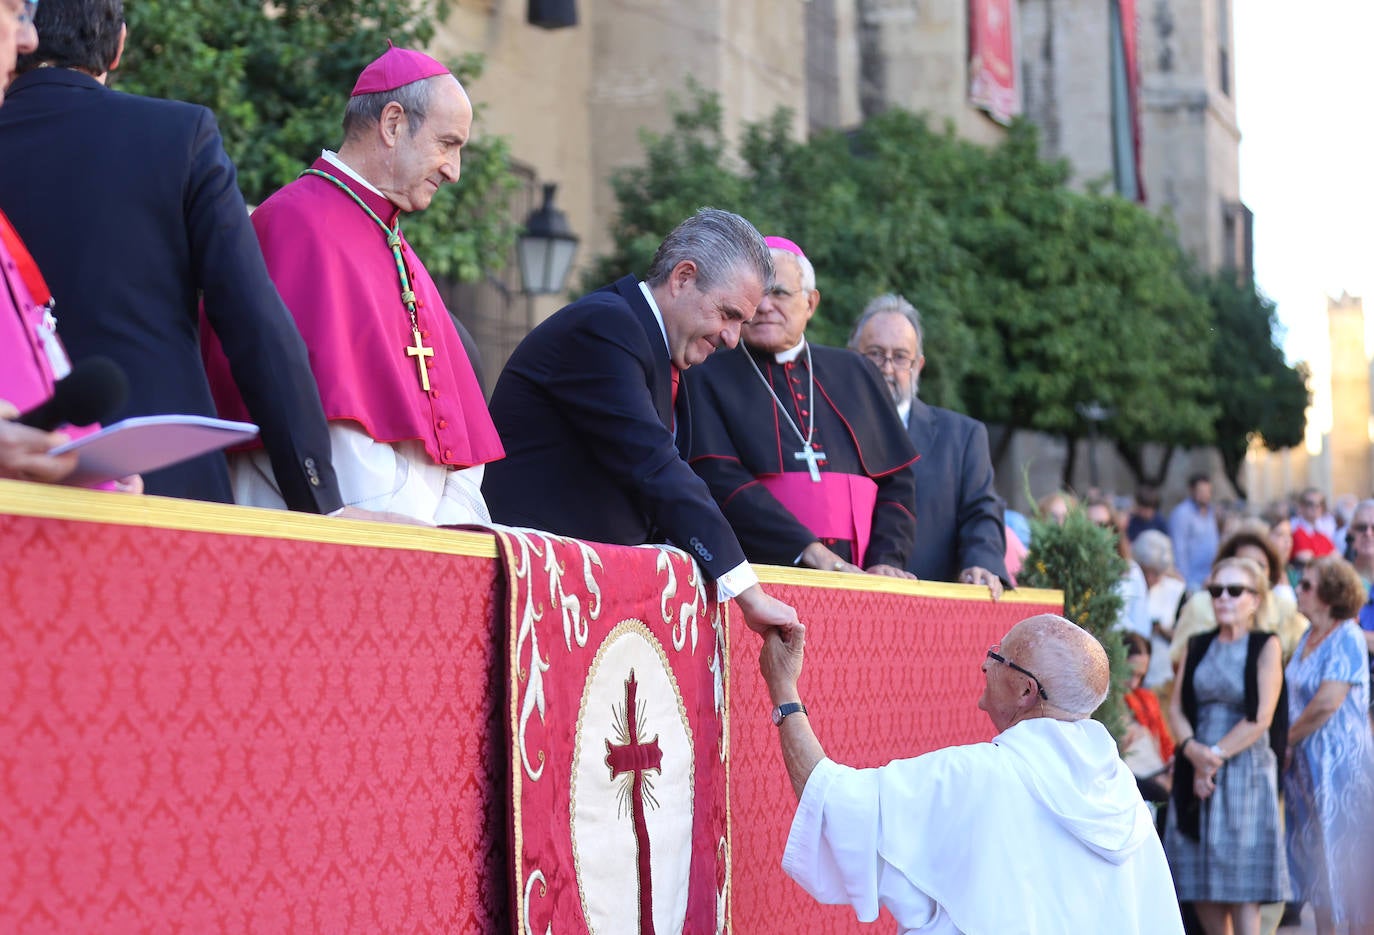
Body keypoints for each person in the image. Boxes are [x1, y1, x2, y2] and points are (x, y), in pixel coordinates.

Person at [0, 0, 342, 513]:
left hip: (14, 479)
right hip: (164, 481)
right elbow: (252, 322)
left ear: (28, 34)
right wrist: (318, 501)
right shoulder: (178, 135)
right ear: (117, 48)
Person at [203, 43, 502, 525]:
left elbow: (461, 437)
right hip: (336, 531)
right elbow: (309, 419)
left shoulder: (396, 246)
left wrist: (452, 518)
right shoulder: (294, 225)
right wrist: (408, 523)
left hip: (423, 536)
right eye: (447, 144)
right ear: (393, 123)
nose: (454, 170)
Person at [759, 612, 1184, 933]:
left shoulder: (979, 775)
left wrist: (783, 688)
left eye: (998, 657)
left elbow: (833, 802)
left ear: (1026, 690)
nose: (984, 666)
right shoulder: (1120, 788)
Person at [483, 208, 798, 637]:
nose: (731, 338)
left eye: (741, 322)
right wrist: (748, 591)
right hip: (530, 597)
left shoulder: (662, 350)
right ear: (683, 277)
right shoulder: (606, 326)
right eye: (728, 314)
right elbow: (655, 467)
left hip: (582, 600)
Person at [681, 240, 917, 578]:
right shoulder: (705, 373)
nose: (765, 306)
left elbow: (896, 481)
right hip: (760, 575)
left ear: (810, 302)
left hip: (863, 579)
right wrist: (808, 550)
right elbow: (719, 479)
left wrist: (887, 559)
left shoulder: (857, 372)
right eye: (757, 294)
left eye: (779, 293)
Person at [848, 294, 1008, 597]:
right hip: (839, 603)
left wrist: (980, 563)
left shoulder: (962, 437)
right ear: (851, 358)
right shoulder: (822, 428)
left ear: (918, 366)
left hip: (930, 607)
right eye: (875, 354)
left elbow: (981, 511)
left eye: (900, 357)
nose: (886, 368)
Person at [1165, 556, 1291, 935]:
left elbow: (1261, 717)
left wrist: (1213, 757)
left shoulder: (1265, 644)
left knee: (1243, 886)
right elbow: (1176, 707)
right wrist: (1194, 752)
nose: (1223, 598)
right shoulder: (1197, 644)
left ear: (1255, 599)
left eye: (1235, 590)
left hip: (1244, 769)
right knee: (1197, 880)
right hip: (1195, 764)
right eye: (1216, 590)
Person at [1286, 556, 1374, 935]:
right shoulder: (1307, 637)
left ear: (1330, 593)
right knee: (1317, 866)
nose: (1298, 590)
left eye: (1307, 585)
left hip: (1342, 770)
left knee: (1349, 862)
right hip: (1306, 771)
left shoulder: (1348, 635)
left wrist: (1286, 740)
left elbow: (1327, 701)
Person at [1169, 526, 1309, 669]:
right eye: (1245, 565)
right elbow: (1177, 661)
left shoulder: (1286, 610)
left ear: (1271, 572)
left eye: (1260, 566)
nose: (1253, 573)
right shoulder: (1199, 604)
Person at [1134, 529, 1187, 697]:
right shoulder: (1129, 583)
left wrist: (1163, 630)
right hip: (1132, 668)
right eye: (1146, 571)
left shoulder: (1176, 590)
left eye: (1157, 573)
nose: (1151, 578)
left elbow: (1184, 636)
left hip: (1161, 671)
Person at [1123, 631, 1175, 803]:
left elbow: (1165, 741)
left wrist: (1171, 763)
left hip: (1155, 770)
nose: (1134, 682)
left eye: (1140, 675)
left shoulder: (1147, 698)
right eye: (1130, 673)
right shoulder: (1110, 699)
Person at [1170, 474, 1220, 594]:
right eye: (1201, 491)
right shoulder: (1182, 514)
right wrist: (1185, 584)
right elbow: (1179, 549)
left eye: (1208, 491)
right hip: (1192, 582)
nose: (1206, 495)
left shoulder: (1211, 513)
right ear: (1192, 491)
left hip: (1209, 579)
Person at [1346, 500, 1374, 706]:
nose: (1368, 533)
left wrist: (1347, 633)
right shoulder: (1336, 579)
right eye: (1362, 527)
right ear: (1350, 533)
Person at [1291, 488, 1337, 566]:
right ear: (1301, 507)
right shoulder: (1294, 530)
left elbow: (1337, 558)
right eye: (1310, 504)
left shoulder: (1322, 534)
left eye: (1320, 504)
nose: (1315, 508)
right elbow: (1306, 560)